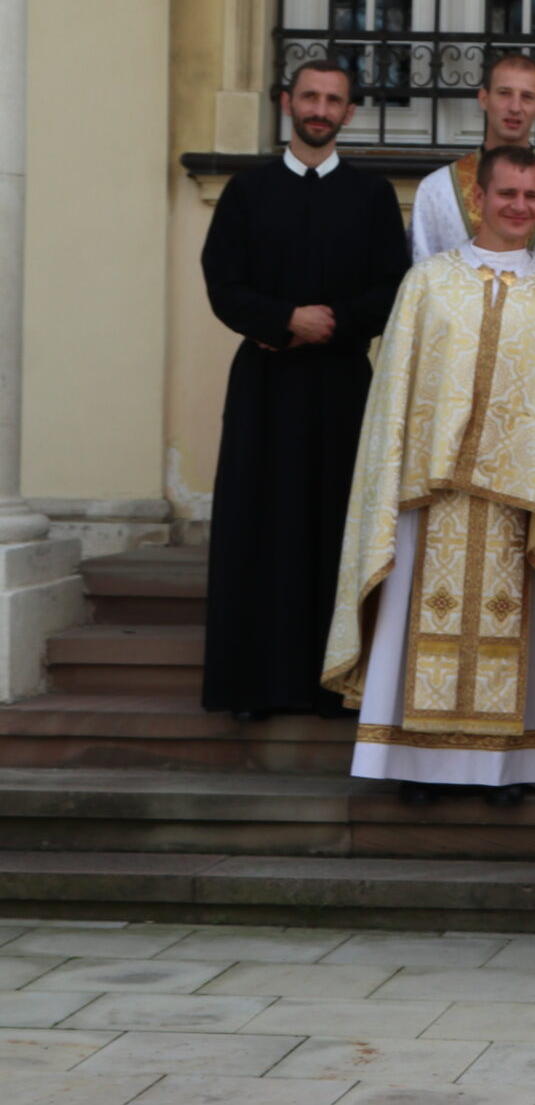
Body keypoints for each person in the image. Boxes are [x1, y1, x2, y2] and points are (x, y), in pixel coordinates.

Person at [323, 146, 535, 804]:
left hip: (519, 498)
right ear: (478, 197)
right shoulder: (429, 280)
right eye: (507, 194)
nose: (519, 207)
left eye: (531, 196)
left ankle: (509, 767)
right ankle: (412, 760)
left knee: (516, 627)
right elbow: (395, 387)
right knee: (420, 618)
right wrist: (402, 466)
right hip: (430, 490)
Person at [200, 59, 410, 720]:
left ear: (350, 112)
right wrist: (283, 319)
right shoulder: (246, 192)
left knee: (334, 528)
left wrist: (333, 322)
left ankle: (331, 683)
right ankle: (251, 686)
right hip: (266, 386)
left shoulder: (373, 197)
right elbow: (223, 281)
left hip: (345, 388)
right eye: (310, 96)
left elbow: (392, 288)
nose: (320, 108)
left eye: (334, 100)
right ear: (287, 102)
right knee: (258, 527)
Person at [406, 52, 535, 265]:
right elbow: (422, 276)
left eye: (527, 97)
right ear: (484, 98)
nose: (514, 107)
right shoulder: (436, 190)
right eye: (504, 93)